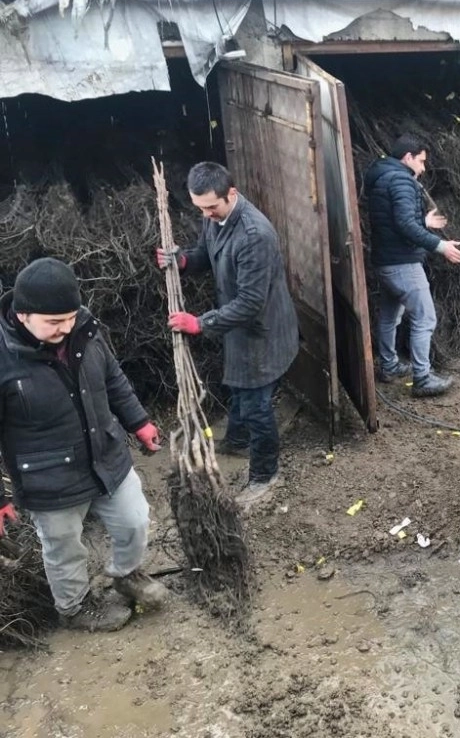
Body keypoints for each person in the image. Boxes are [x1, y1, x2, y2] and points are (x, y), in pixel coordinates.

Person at [0, 258, 168, 632]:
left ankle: (125, 574)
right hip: (48, 479)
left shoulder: (85, 329)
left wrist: (138, 421)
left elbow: (111, 377)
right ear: (22, 315)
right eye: (54, 323)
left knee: (135, 521)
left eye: (70, 317)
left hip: (105, 455)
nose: (66, 328)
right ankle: (74, 608)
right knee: (64, 547)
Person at [157, 162, 299, 506]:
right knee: (238, 387)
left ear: (231, 194)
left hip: (262, 332)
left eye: (211, 207)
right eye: (200, 208)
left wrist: (200, 323)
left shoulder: (255, 236)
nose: (205, 214)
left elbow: (251, 302)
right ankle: (237, 441)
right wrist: (184, 261)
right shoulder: (217, 219)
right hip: (239, 328)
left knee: (255, 405)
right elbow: (206, 253)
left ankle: (266, 475)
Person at [365, 134, 460, 397]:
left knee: (390, 316)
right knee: (425, 317)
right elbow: (404, 225)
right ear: (408, 157)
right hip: (402, 264)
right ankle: (422, 378)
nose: (423, 169)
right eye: (421, 162)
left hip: (386, 261)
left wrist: (424, 222)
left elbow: (394, 220)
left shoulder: (381, 177)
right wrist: (440, 245)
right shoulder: (400, 179)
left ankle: (388, 366)